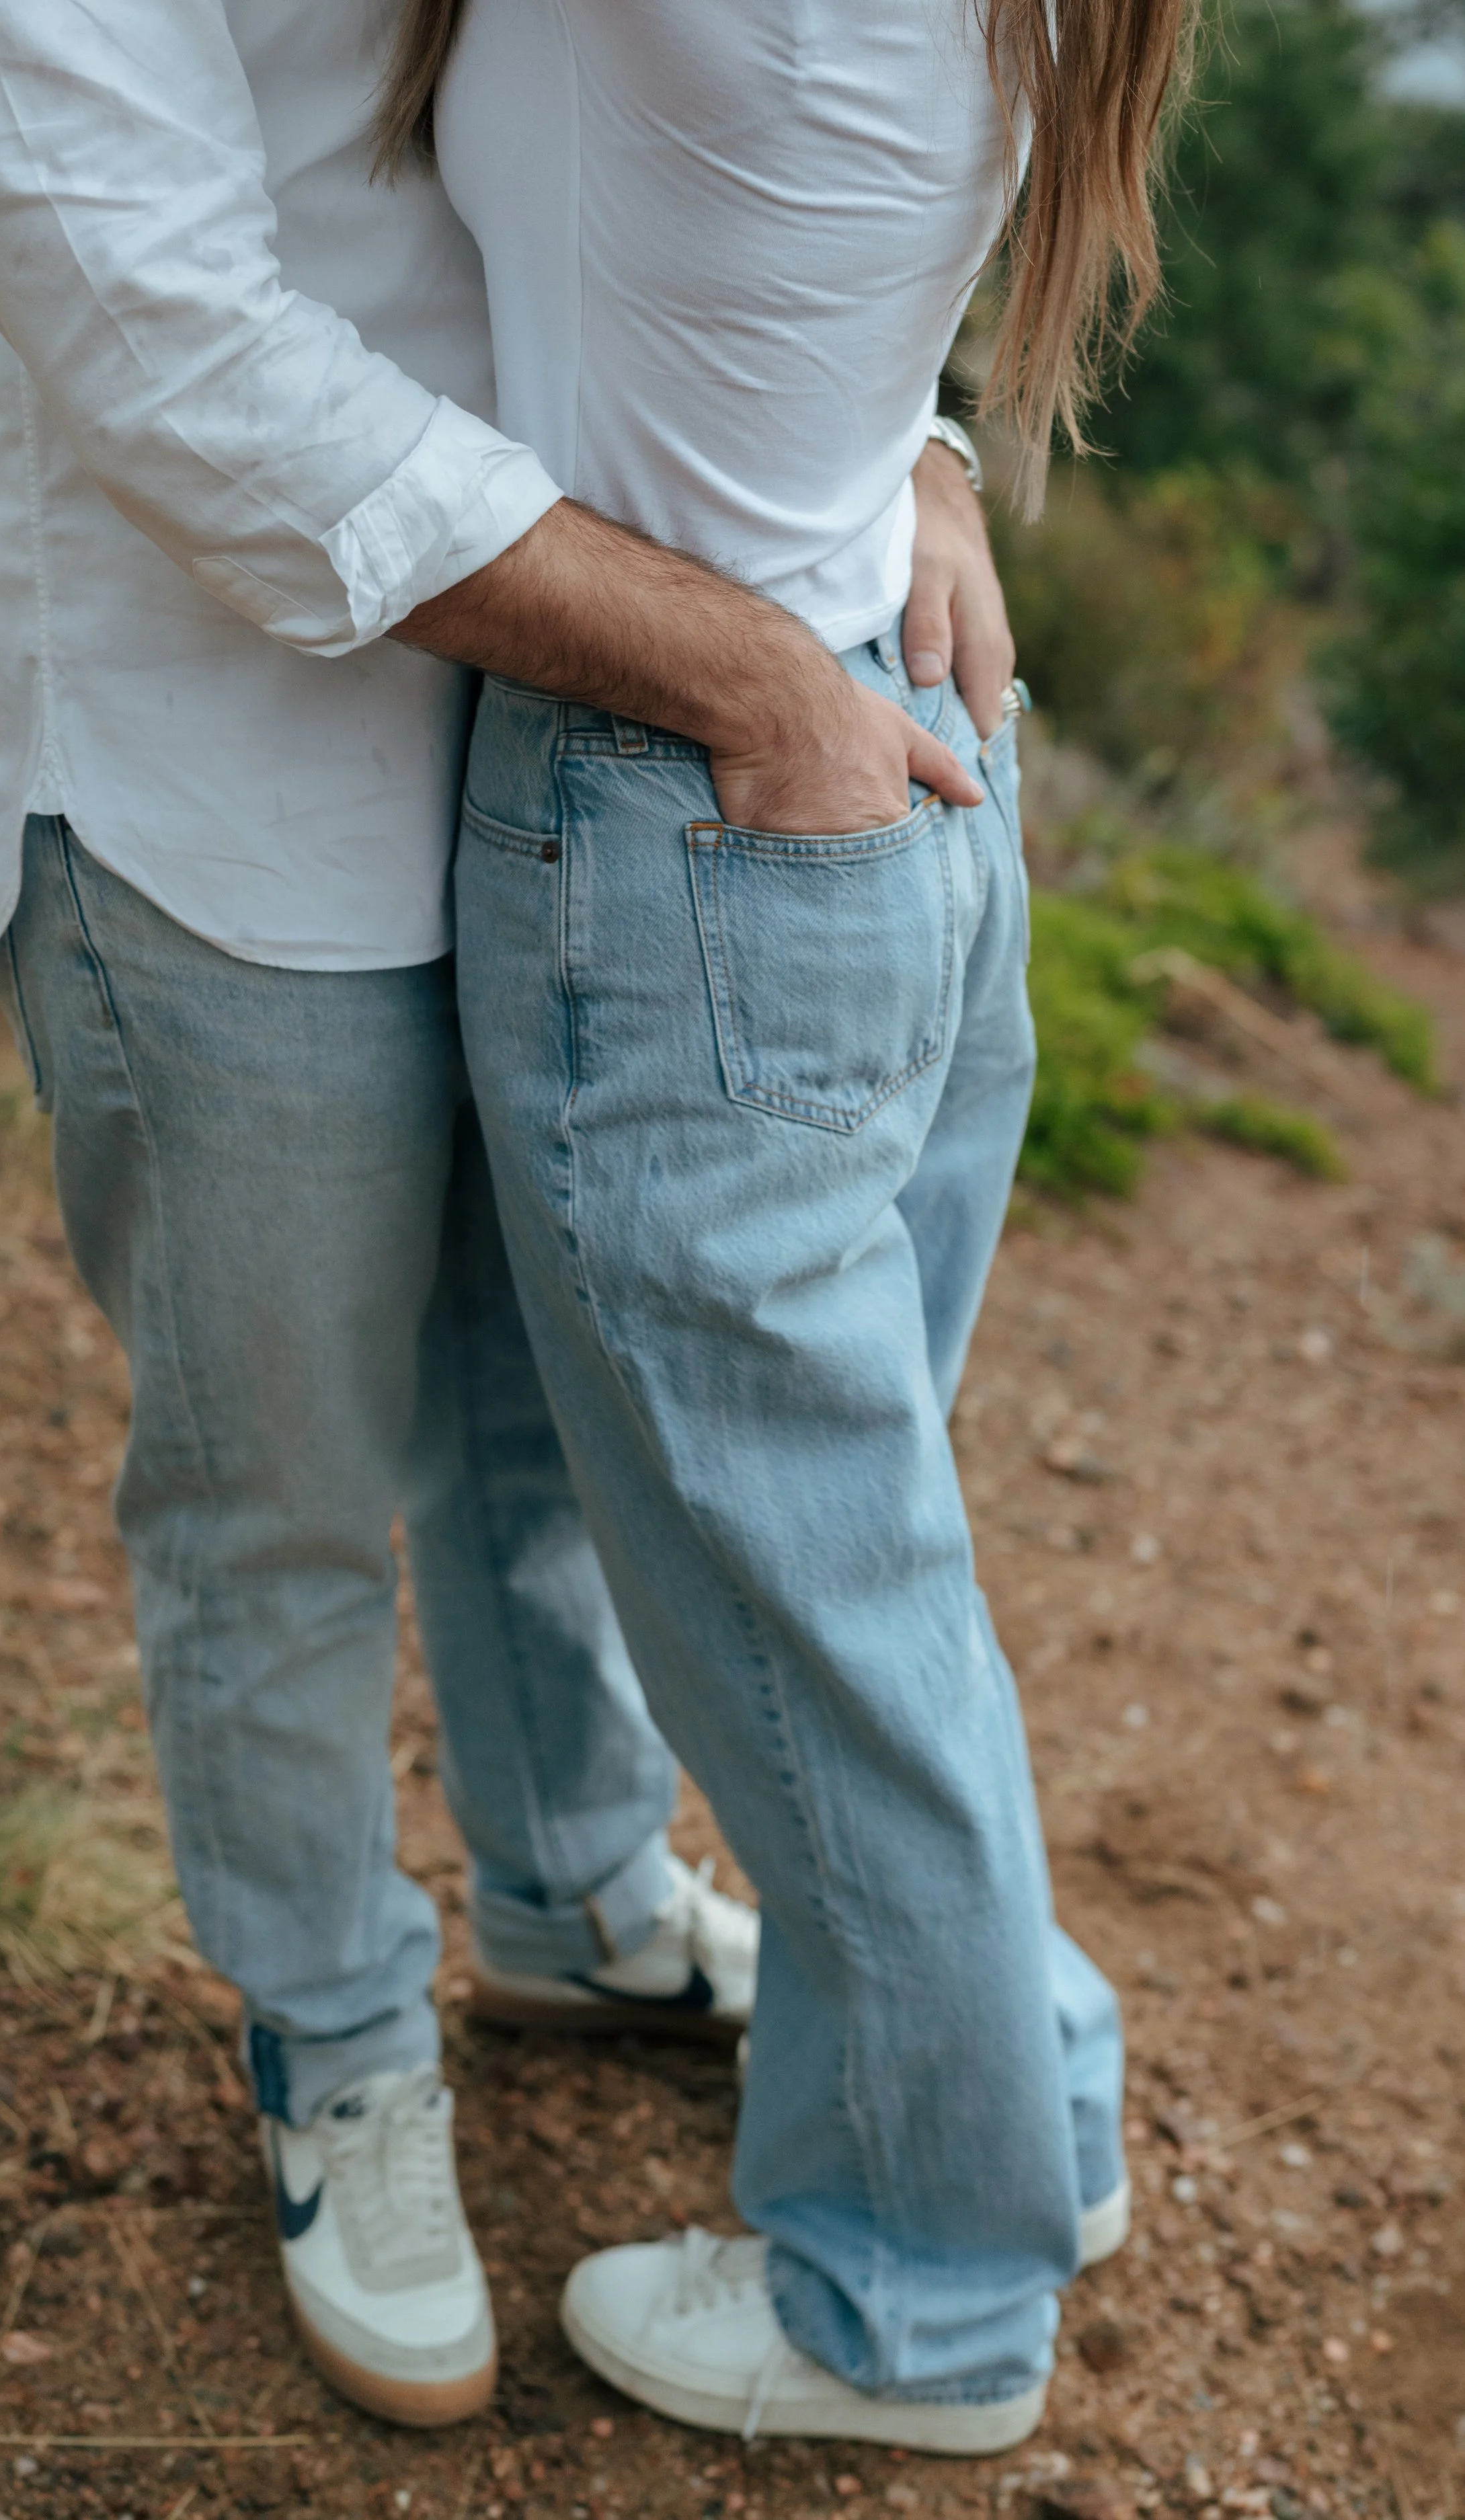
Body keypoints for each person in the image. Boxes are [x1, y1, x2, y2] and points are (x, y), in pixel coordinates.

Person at [0, 0, 1016, 2435]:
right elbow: (175, 356)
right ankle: (335, 2026)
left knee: (543, 1387)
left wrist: (908, 435)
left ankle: (571, 1891)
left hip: (569, 722)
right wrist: (751, 666)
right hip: (212, 740)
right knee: (277, 1474)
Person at [377, 0, 1193, 2455]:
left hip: (697, 819)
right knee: (841, 1559)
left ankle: (920, 2295)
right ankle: (1000, 2086)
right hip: (881, 762)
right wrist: (931, 440)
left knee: (824, 1617)